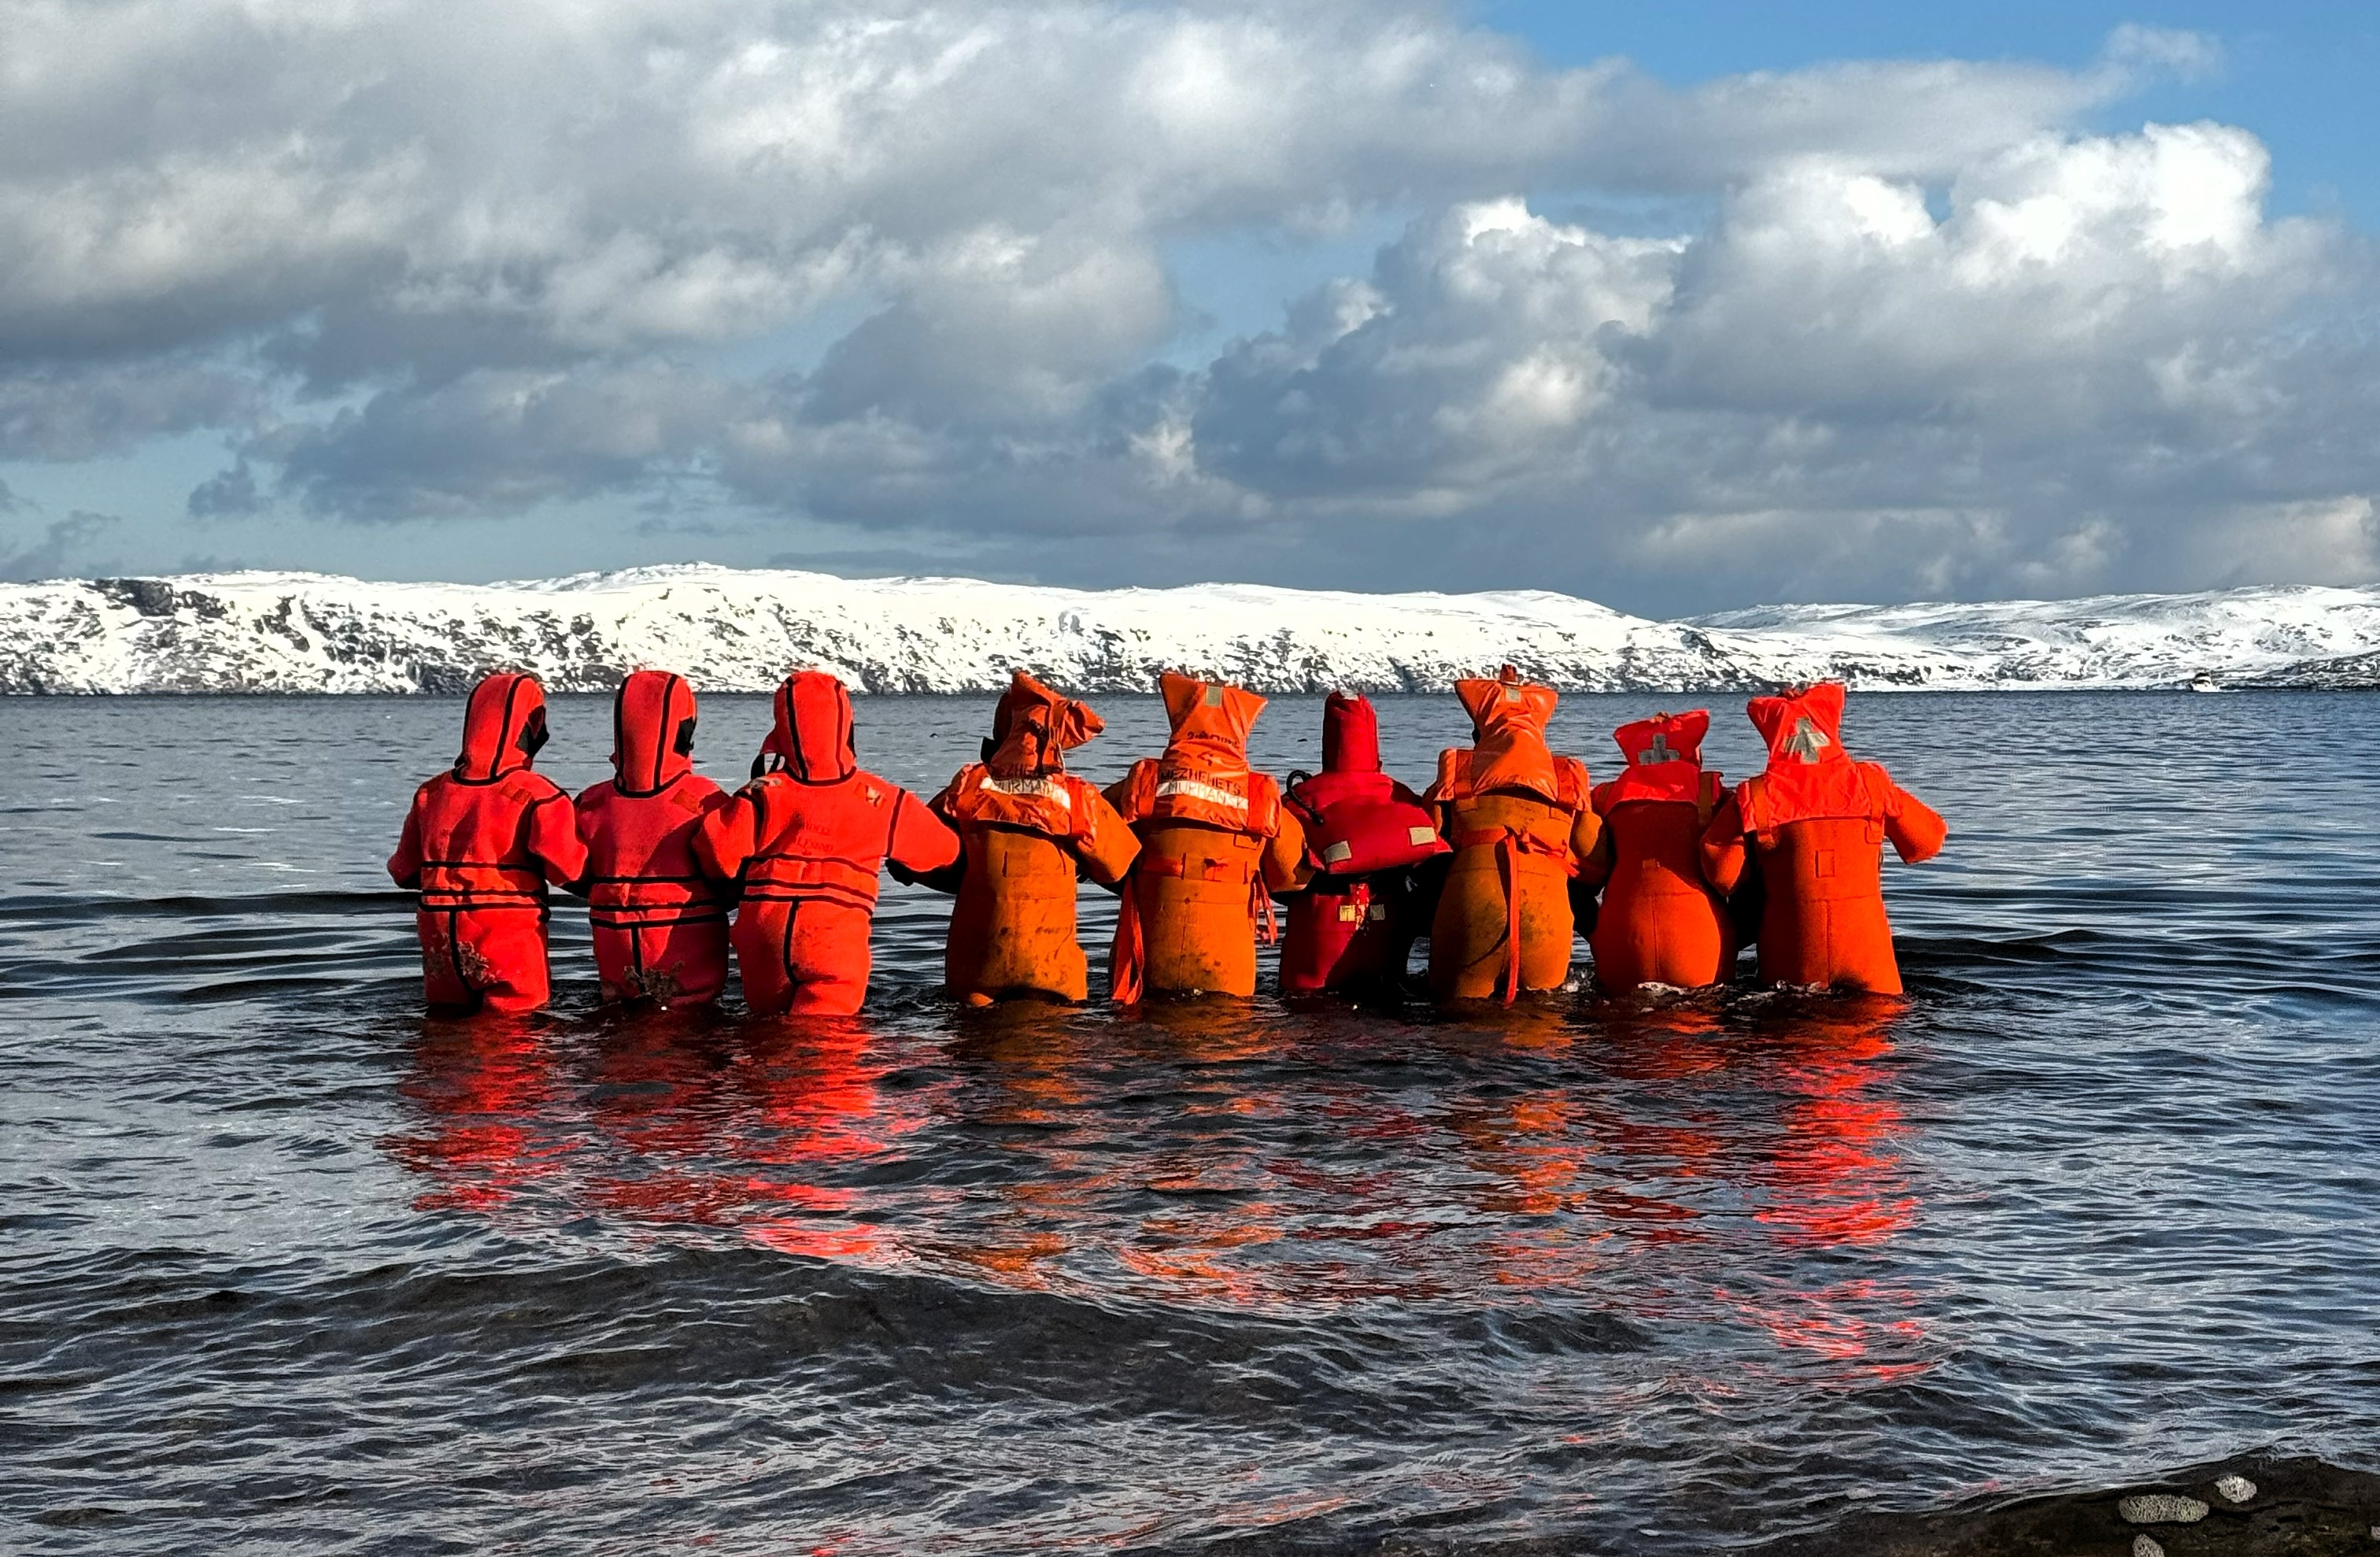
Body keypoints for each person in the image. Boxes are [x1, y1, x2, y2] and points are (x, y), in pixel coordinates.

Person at [693, 669, 959, 1015]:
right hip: (833, 944)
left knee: (765, 1043)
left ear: (782, 731)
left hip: (763, 943)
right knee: (827, 1055)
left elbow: (715, 854)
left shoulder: (760, 794)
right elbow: (946, 851)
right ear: (846, 728)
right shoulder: (882, 800)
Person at [1698, 682, 1947, 994]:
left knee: (1789, 1030)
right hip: (1867, 952)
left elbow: (1723, 876)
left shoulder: (1755, 794)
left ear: (1771, 732)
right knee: (1874, 1031)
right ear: (1831, 723)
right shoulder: (1872, 783)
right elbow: (1927, 843)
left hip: (1791, 956)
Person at [927, 671, 1140, 1004]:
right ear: (1056, 740)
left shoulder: (966, 785)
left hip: (975, 969)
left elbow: (913, 861)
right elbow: (1120, 868)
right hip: (1050, 970)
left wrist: (971, 871)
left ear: (1001, 733)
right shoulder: (1077, 798)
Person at [387, 671, 588, 1015]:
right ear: (529, 729)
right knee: (516, 1037)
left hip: (440, 934)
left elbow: (404, 873)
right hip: (506, 933)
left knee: (444, 1030)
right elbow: (570, 871)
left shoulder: (431, 792)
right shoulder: (539, 796)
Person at [1106, 671, 1308, 1001]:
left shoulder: (1140, 783)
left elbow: (1100, 858)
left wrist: (1138, 877)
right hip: (1227, 965)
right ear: (1240, 728)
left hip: (1148, 963)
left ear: (1180, 721)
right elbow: (1292, 878)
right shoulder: (1261, 796)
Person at [1424, 666, 1600, 1003]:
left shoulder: (1456, 773)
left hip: (1471, 915)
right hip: (1546, 920)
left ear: (1479, 733)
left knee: (1459, 1029)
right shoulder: (1569, 780)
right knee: (1543, 1027)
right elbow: (1597, 862)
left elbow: (1422, 846)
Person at [571, 669, 733, 1008]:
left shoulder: (591, 803)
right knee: (690, 1030)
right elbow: (732, 872)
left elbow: (568, 871)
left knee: (619, 1029)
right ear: (684, 731)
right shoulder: (705, 801)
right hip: (686, 969)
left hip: (616, 960)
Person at [1277, 690, 1447, 995]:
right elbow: (1431, 868)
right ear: (1374, 740)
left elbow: (1278, 880)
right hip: (1385, 922)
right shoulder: (1401, 795)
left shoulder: (1297, 800)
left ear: (1327, 742)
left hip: (1320, 926)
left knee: (1307, 1005)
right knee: (1388, 1000)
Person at [1579, 711, 1735, 993]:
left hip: (1622, 941)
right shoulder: (1712, 795)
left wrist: (1596, 936)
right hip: (1699, 946)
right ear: (1693, 755)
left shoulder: (1604, 796)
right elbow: (1731, 875)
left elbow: (1585, 876)